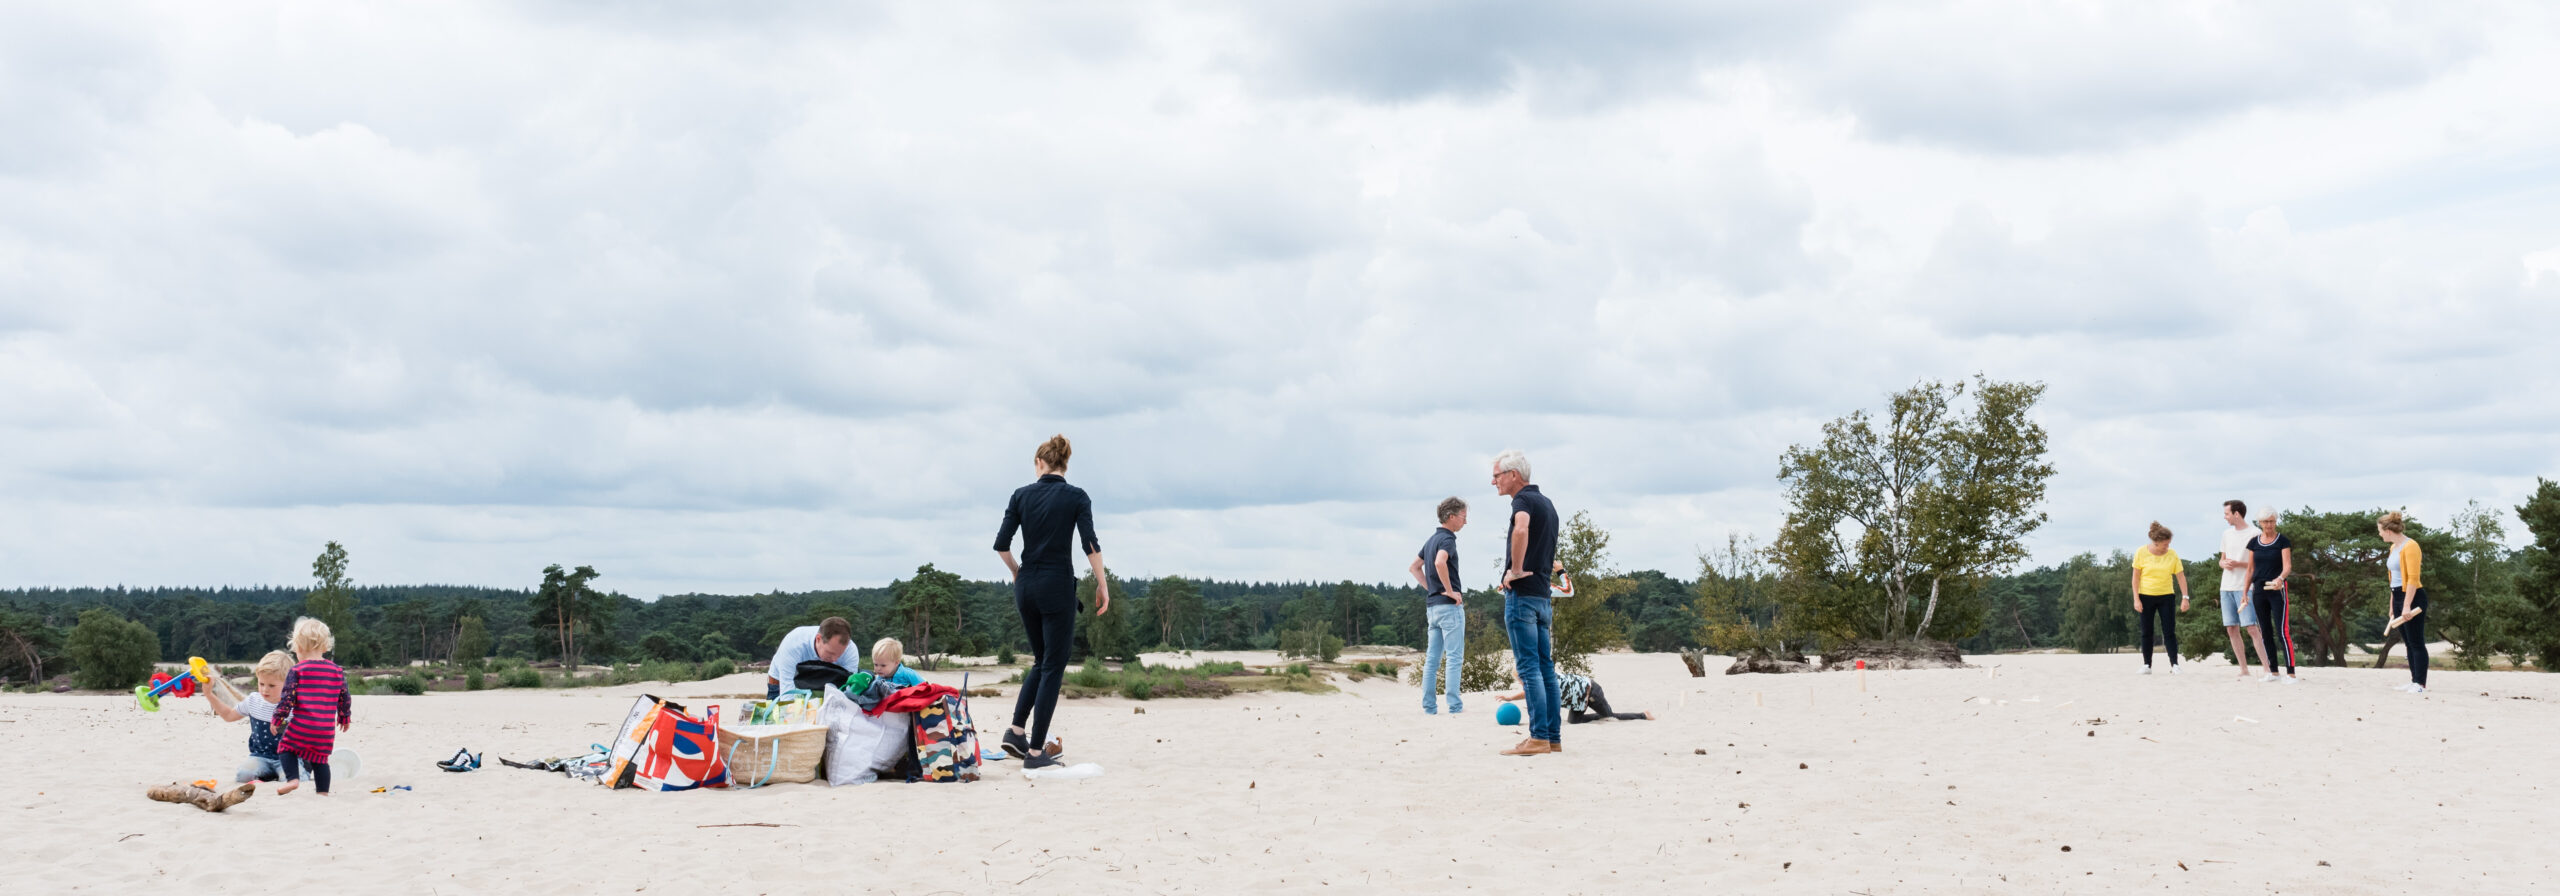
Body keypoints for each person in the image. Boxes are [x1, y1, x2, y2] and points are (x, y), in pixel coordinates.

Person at [995, 434, 1108, 770]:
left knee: (1041, 661)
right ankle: (1034, 753)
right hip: (1056, 585)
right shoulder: (1076, 496)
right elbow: (1090, 544)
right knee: (1053, 667)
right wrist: (1102, 584)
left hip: (1026, 585)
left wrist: (1018, 572)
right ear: (1064, 464)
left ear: (1039, 463)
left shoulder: (1020, 495)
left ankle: (1016, 731)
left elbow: (1002, 544)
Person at [1491, 449, 1562, 756]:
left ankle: (1537, 738)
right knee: (1546, 669)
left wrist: (1514, 570)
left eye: (1497, 475)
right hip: (1543, 597)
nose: (1493, 481)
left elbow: (1521, 529)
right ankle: (1552, 738)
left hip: (1523, 597)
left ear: (1513, 476)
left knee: (1529, 668)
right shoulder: (1547, 503)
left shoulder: (1522, 501)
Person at [272, 617, 350, 795]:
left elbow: (287, 699)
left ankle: (292, 779)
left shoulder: (298, 670)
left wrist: (278, 718)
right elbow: (344, 697)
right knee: (320, 759)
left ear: (298, 647)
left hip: (302, 725)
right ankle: (323, 792)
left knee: (285, 747)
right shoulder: (337, 671)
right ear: (325, 647)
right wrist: (344, 717)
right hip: (325, 729)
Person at [1409, 497, 1468, 715]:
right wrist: (1450, 590)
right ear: (1451, 517)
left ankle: (1429, 707)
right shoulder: (1447, 540)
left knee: (1432, 660)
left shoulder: (1431, 540)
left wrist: (1431, 588)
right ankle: (1454, 706)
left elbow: (1414, 567)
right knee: (1454, 657)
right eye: (1463, 517)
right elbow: (1439, 562)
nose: (1465, 522)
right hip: (1448, 607)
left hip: (1432, 607)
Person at [204, 650, 295, 784]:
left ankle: (278, 776)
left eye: (271, 685)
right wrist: (209, 695)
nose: (265, 690)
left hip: (289, 757)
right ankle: (267, 776)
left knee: (290, 780)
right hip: (260, 757)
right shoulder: (253, 701)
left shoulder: (295, 706)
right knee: (243, 775)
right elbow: (229, 716)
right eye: (261, 684)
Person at [2216, 500, 2268, 680]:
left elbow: (2260, 562)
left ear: (2236, 514)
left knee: (2252, 628)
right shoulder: (2226, 534)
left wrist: (2238, 563)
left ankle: (2267, 669)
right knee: (2231, 628)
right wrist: (2223, 563)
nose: (2225, 517)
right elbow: (2221, 559)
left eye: (2227, 513)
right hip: (2226, 587)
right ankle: (2244, 669)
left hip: (2246, 587)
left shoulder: (2255, 533)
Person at [2130, 522, 2190, 675]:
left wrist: (2185, 597)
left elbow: (2181, 577)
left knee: (2169, 631)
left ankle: (2175, 664)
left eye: (2169, 544)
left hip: (2166, 597)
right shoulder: (2141, 552)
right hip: (2145, 596)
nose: (2167, 547)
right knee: (2146, 632)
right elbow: (2135, 578)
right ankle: (2146, 665)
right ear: (2156, 542)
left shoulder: (2172, 554)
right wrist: (2136, 599)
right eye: (2165, 544)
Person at [2379, 511, 2429, 694]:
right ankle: (2413, 680)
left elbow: (2413, 580)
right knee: (2407, 642)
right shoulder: (2394, 548)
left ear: (2389, 530)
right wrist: (2393, 604)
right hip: (2399, 596)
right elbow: (2394, 580)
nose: (2380, 535)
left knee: (2416, 641)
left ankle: (2420, 683)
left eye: (2380, 531)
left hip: (2413, 597)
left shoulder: (2411, 546)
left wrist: (2407, 605)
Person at [2248, 510, 2300, 683]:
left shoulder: (2282, 541)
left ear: (2276, 521)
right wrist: (2244, 592)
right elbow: (2250, 569)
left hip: (2277, 588)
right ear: (2259, 523)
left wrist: (2280, 578)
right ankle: (2273, 671)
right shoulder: (2254, 542)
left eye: (2271, 521)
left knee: (2282, 631)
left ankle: (2291, 673)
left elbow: (2287, 566)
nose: (2268, 524)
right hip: (2259, 590)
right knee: (2265, 631)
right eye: (2265, 521)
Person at [1498, 670, 1653, 725]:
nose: (1521, 684)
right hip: (1578, 700)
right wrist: (1510, 698)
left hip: (1591, 691)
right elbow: (1528, 693)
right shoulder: (1536, 683)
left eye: (1521, 680)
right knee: (1574, 721)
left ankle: (1643, 715)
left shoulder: (1543, 681)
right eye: (1520, 681)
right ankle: (1598, 717)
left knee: (1610, 716)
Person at [764, 616, 856, 700]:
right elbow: (787, 694)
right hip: (783, 684)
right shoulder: (794, 644)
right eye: (830, 653)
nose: (835, 659)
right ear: (818, 639)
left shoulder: (850, 651)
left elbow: (848, 690)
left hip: (827, 687)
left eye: (840, 654)